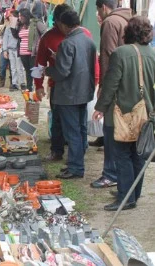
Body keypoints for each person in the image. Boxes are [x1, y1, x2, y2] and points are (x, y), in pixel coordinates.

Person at [93, 16, 155, 211]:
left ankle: (125, 197)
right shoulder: (152, 54)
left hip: (122, 114)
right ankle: (132, 194)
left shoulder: (121, 53)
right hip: (146, 113)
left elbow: (111, 84)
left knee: (122, 155)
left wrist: (100, 107)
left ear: (128, 32)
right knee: (138, 154)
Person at [35, 4, 100, 162]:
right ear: (57, 21)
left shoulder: (82, 35)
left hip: (77, 86)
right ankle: (58, 151)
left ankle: (77, 157)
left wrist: (96, 80)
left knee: (77, 124)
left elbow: (93, 61)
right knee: (58, 120)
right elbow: (39, 63)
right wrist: (38, 85)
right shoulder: (48, 37)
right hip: (60, 86)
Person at [90, 0, 132, 189]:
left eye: (98, 10)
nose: (98, 14)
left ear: (103, 7)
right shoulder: (126, 19)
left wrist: (103, 87)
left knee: (109, 128)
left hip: (114, 83)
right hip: (127, 83)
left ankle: (110, 174)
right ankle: (117, 173)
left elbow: (107, 55)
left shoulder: (110, 23)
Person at [2, 9, 23, 91]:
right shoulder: (8, 28)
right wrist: (5, 50)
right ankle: (14, 83)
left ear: (16, 18)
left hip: (18, 50)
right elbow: (5, 39)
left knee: (20, 67)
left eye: (11, 16)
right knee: (12, 68)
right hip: (10, 50)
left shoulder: (20, 27)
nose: (10, 18)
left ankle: (22, 83)